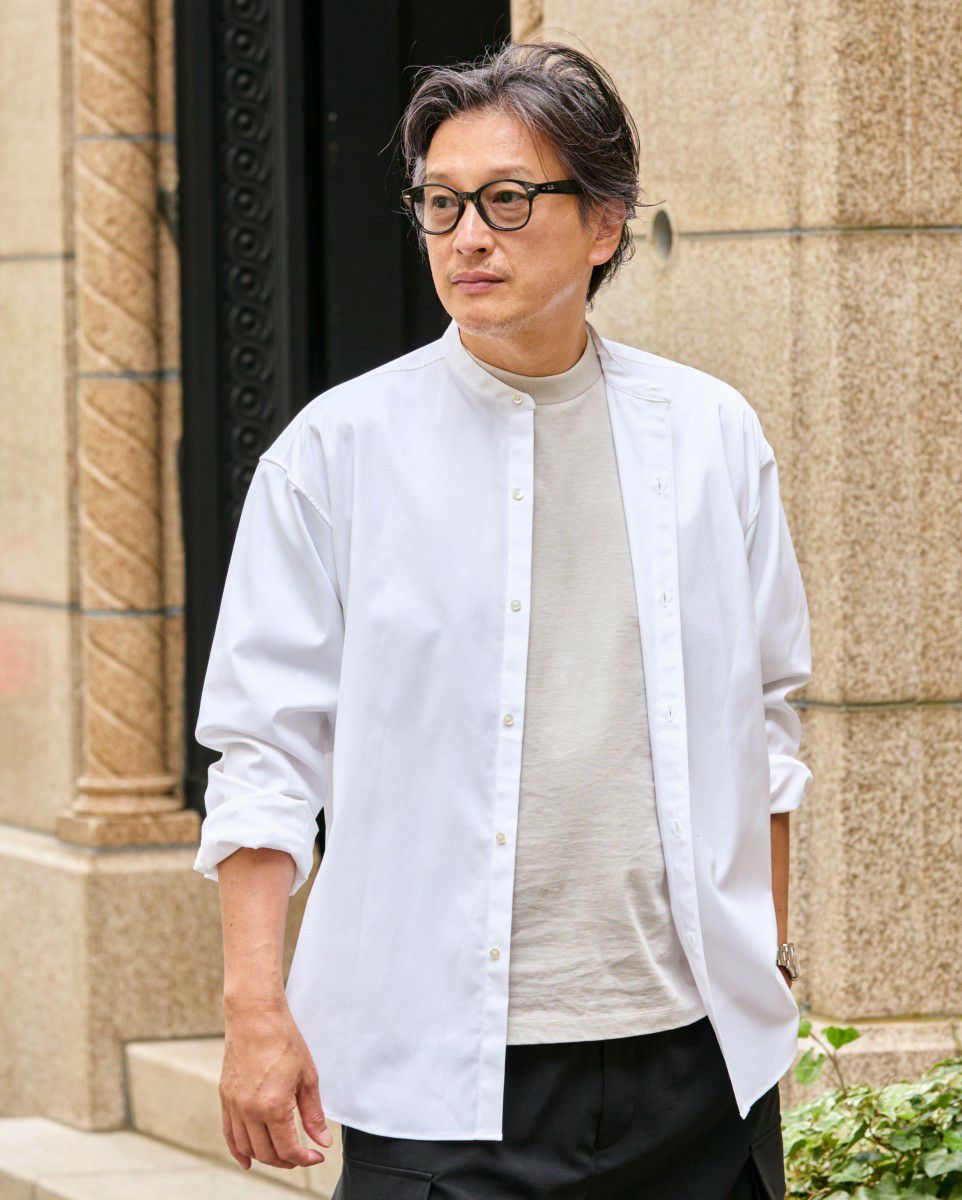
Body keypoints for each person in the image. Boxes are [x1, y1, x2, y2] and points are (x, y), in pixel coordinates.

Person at [192, 37, 811, 1200]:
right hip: (438, 1074)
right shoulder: (336, 455)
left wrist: (762, 958)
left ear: (605, 224)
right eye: (441, 203)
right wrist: (254, 1009)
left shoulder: (711, 438)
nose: (467, 236)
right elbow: (265, 755)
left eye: (507, 200)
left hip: (695, 1067)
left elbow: (768, 727)